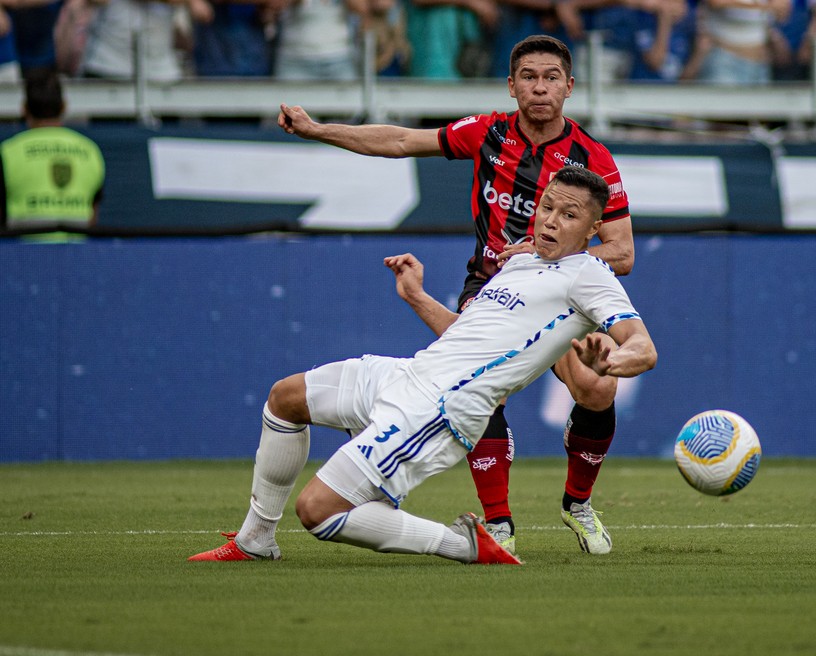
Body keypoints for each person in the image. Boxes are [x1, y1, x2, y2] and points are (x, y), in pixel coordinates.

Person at [187, 166, 658, 566]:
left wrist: (613, 359)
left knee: (317, 511)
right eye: (548, 207)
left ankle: (465, 545)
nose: (552, 221)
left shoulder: (590, 275)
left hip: (441, 408)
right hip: (409, 374)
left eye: (569, 215)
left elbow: (643, 346)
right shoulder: (520, 263)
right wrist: (416, 295)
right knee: (285, 398)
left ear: (593, 229)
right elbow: (464, 337)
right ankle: (256, 540)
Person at [276, 34, 634, 556]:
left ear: (569, 87)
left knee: (598, 391)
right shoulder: (486, 132)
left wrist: (539, 254)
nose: (540, 88)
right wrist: (317, 130)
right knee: (480, 384)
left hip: (560, 294)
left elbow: (621, 253)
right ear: (511, 86)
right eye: (529, 77)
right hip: (488, 287)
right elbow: (400, 141)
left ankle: (577, 503)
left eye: (551, 77)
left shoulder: (591, 160)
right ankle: (499, 522)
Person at [0, 69, 105, 232]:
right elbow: (92, 216)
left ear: (24, 108)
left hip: (21, 254)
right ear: (64, 107)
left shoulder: (8, 152)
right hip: (77, 255)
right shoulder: (90, 150)